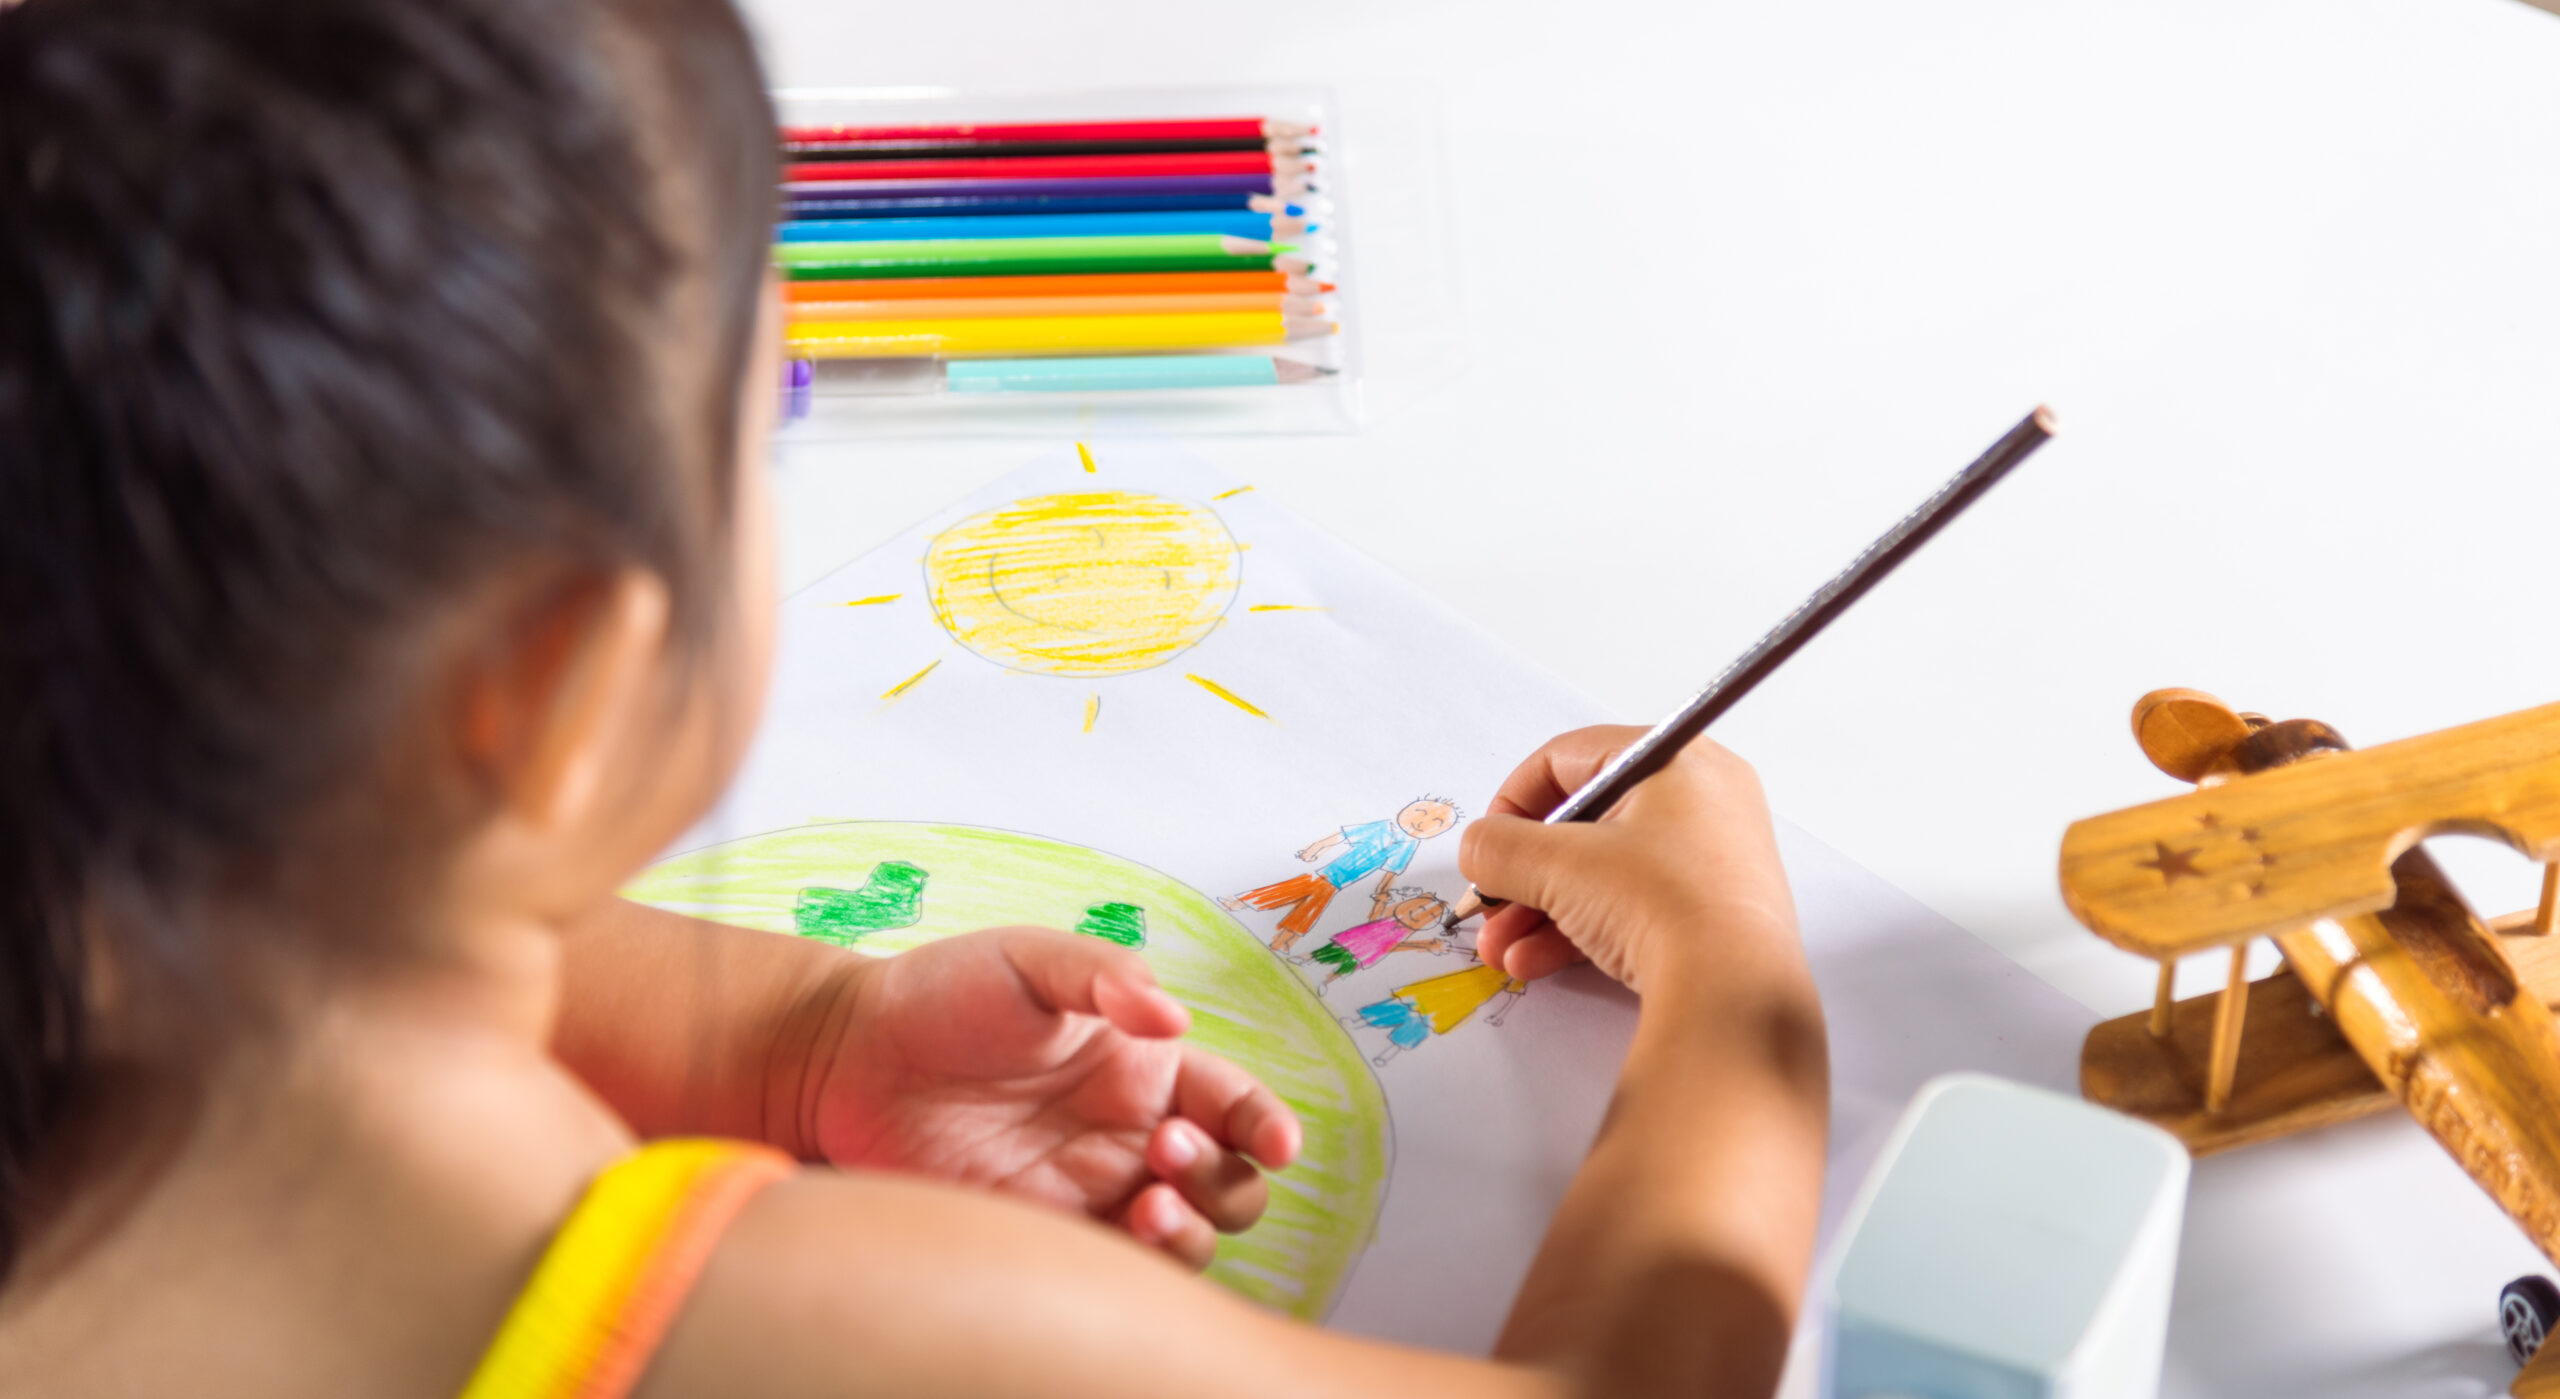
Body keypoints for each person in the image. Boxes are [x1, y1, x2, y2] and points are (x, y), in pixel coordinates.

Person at [0, 1, 1832, 1395]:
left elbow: (314, 938)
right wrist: (1735, 979)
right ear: (557, 691)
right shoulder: (807, 1325)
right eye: (761, 427)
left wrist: (795, 1036)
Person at [1226, 797, 1459, 956]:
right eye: (1421, 813)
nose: (1422, 822)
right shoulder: (1381, 828)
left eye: (1436, 823)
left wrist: (1381, 895)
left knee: (1307, 909)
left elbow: (1391, 872)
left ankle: (1282, 939)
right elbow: (1343, 835)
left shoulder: (1408, 846)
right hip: (1325, 875)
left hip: (1337, 884)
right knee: (1289, 894)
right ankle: (1245, 906)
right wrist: (1316, 847)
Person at [1307, 885, 1453, 990]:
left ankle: (1326, 981)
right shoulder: (1389, 919)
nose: (1422, 916)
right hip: (1356, 940)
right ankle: (1307, 957)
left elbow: (1392, 946)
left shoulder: (1405, 934)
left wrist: (1426, 945)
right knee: (1333, 951)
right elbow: (1374, 916)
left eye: (1432, 917)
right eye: (1420, 910)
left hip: (1370, 952)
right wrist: (1381, 901)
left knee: (1349, 965)